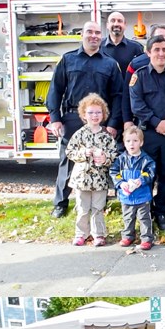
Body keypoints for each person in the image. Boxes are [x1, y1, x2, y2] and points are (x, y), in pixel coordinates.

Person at [47, 21, 125, 219]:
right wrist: (55, 118)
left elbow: (118, 96)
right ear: (82, 34)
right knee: (68, 161)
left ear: (101, 36)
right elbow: (55, 89)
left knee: (101, 160)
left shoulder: (110, 64)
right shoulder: (68, 59)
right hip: (73, 117)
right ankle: (60, 203)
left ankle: (100, 202)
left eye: (97, 33)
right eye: (89, 32)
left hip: (101, 120)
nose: (94, 36)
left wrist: (113, 124)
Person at [130, 34, 165, 230]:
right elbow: (137, 105)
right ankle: (145, 211)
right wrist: (156, 122)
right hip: (148, 135)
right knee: (147, 175)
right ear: (148, 53)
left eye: (164, 50)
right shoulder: (139, 76)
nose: (161, 53)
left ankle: (162, 211)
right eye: (156, 50)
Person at [64, 93, 118, 247]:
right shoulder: (80, 134)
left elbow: (114, 154)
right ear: (84, 115)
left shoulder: (107, 136)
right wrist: (83, 153)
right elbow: (69, 151)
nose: (94, 116)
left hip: (99, 180)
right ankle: (81, 233)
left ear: (103, 114)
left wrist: (105, 158)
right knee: (82, 208)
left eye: (98, 112)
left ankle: (98, 234)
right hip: (82, 179)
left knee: (98, 208)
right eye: (91, 112)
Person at [111, 126, 156, 250]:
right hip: (127, 196)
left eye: (135, 141)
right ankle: (128, 236)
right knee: (128, 217)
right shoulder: (120, 160)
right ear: (124, 143)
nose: (132, 144)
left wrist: (140, 180)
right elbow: (114, 172)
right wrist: (121, 183)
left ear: (141, 143)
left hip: (142, 196)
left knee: (144, 218)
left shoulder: (146, 160)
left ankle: (146, 238)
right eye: (128, 141)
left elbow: (150, 173)